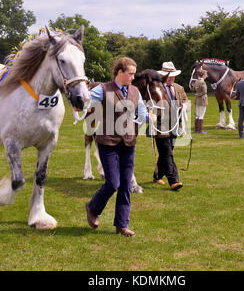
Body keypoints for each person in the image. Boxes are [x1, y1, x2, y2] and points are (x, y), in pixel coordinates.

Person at [85, 57, 155, 237]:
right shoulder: (103, 89)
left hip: (129, 143)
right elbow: (86, 99)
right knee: (113, 183)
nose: (133, 77)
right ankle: (93, 208)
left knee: (125, 185)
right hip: (107, 142)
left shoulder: (135, 92)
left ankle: (122, 224)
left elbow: (140, 112)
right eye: (130, 74)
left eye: (133, 74)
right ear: (119, 72)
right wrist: (81, 100)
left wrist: (150, 118)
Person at [152, 61, 189, 191]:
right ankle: (174, 181)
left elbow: (186, 101)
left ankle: (157, 176)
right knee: (167, 153)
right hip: (160, 126)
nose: (172, 78)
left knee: (166, 153)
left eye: (173, 76)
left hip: (175, 125)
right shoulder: (156, 89)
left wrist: (185, 106)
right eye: (169, 76)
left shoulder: (179, 88)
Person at [193, 69, 208, 133]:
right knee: (201, 115)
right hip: (202, 99)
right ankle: (200, 130)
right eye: (206, 74)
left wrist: (197, 94)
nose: (207, 76)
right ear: (203, 75)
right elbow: (205, 91)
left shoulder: (196, 81)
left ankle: (196, 129)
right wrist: (199, 94)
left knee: (197, 115)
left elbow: (193, 88)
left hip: (197, 99)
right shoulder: (203, 82)